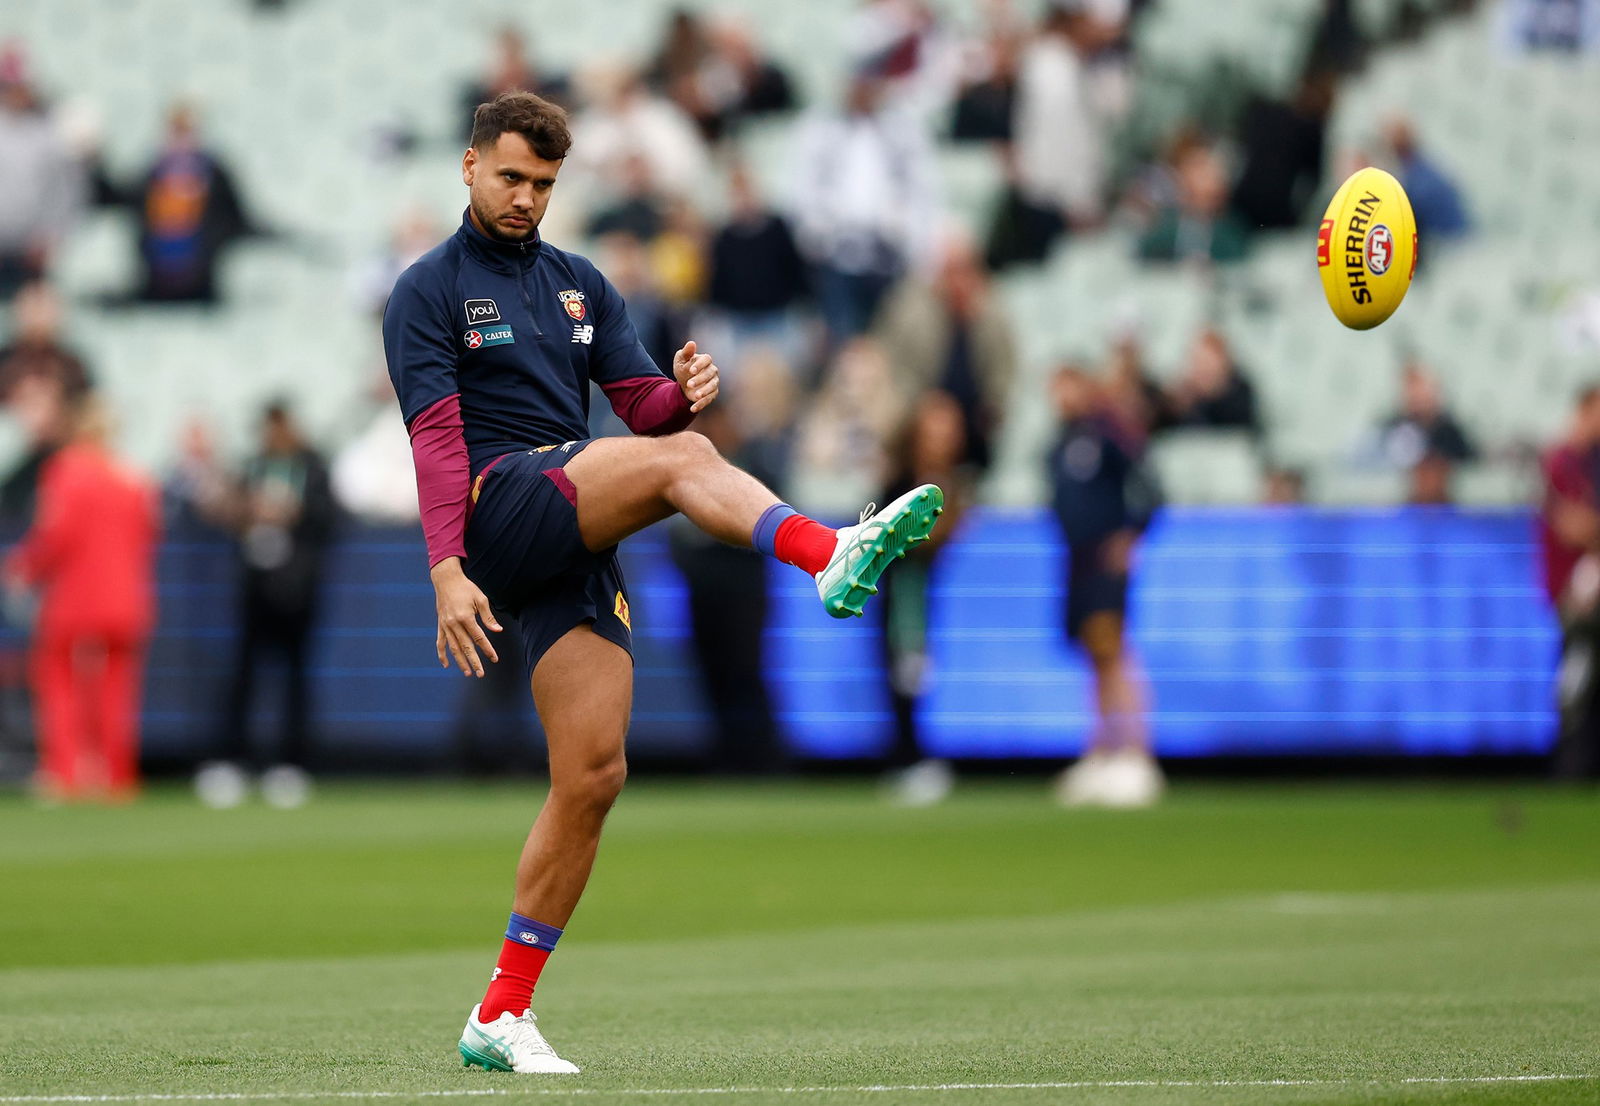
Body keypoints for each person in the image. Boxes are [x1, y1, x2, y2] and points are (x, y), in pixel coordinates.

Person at [381, 91, 943, 1075]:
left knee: (593, 774)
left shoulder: (579, 282)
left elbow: (639, 403)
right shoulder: (426, 291)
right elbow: (433, 438)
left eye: (544, 184)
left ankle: (498, 1014)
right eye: (510, 176)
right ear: (468, 167)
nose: (525, 198)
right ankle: (827, 550)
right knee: (686, 462)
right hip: (499, 502)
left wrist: (679, 388)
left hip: (571, 526)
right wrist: (443, 567)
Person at [3, 392, 159, 802]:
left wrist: (23, 567)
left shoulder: (68, 472)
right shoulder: (134, 476)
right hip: (127, 600)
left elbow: (56, 536)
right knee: (116, 690)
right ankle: (116, 775)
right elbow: (149, 536)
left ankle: (66, 771)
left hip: (76, 599)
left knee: (59, 682)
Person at [198, 402, 337, 810]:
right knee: (243, 674)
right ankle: (232, 761)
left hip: (297, 588)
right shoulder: (253, 466)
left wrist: (292, 513)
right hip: (255, 584)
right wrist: (241, 510)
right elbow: (233, 513)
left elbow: (328, 520)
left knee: (295, 676)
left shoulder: (312, 468)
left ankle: (291, 763)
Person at [1045, 366, 1163, 808]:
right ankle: (1100, 752)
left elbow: (1148, 486)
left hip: (1104, 560)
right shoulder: (1059, 441)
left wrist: (1133, 534)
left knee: (1114, 650)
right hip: (1075, 561)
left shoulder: (1107, 435)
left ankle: (1136, 752)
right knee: (1095, 654)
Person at [878, 391, 971, 805]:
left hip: (920, 590)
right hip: (899, 590)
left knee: (913, 671)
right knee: (903, 669)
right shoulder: (902, 482)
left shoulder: (952, 479)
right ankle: (909, 758)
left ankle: (915, 757)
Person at [130, 103, 255, 303]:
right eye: (177, 129)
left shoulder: (214, 173)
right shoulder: (152, 173)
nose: (182, 138)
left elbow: (241, 219)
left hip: (201, 286)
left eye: (187, 129)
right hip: (154, 285)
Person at [1540, 385, 1600, 780]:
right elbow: (1571, 526)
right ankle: (1571, 769)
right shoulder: (1562, 462)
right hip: (1573, 595)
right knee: (1576, 679)